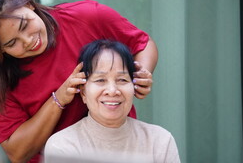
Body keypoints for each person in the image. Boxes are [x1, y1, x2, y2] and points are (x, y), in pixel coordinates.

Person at [0, 0, 158, 163]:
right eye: (12, 43)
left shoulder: (86, 16)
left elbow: (142, 44)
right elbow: (17, 152)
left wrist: (139, 75)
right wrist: (59, 99)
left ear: (29, 5)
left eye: (25, 25)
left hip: (120, 151)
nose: (28, 41)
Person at [44, 40, 180, 163]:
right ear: (83, 92)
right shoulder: (63, 146)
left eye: (122, 80)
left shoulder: (159, 141)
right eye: (100, 80)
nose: (112, 90)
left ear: (134, 87)